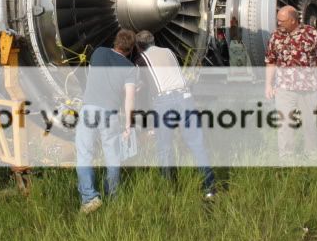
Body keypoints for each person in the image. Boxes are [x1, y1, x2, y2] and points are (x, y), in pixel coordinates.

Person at [134, 30, 216, 199]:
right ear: (153, 41)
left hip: (164, 101)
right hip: (185, 97)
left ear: (139, 47)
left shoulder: (141, 60)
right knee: (197, 144)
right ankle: (210, 188)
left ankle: (169, 191)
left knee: (164, 148)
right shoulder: (169, 52)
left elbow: (140, 86)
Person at [75, 29, 137, 214]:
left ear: (115, 42)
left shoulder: (99, 52)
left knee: (84, 154)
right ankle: (113, 196)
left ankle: (90, 198)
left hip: (90, 109)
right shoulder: (130, 68)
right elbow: (130, 99)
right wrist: (128, 125)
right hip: (110, 114)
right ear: (131, 48)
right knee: (113, 156)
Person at [264, 6, 317, 160]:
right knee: (285, 125)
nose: (279, 23)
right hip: (284, 88)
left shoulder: (311, 34)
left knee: (310, 124)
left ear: (293, 20)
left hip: (309, 87)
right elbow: (270, 62)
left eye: (282, 21)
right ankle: (287, 158)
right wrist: (268, 84)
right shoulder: (275, 37)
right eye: (278, 20)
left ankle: (311, 154)